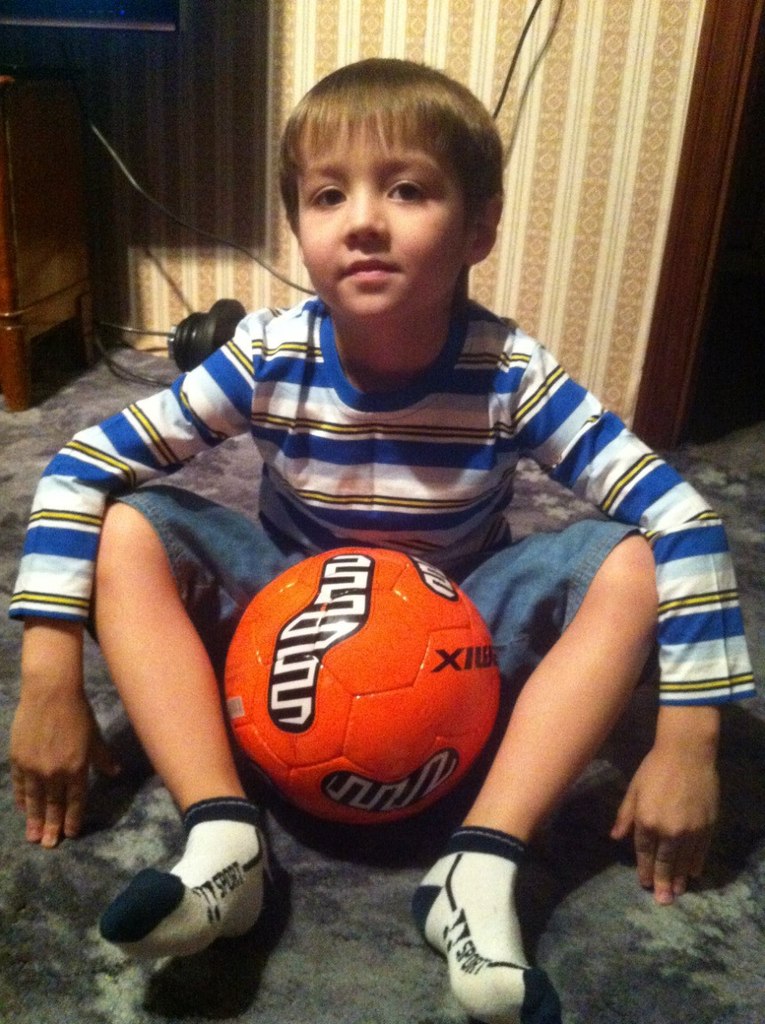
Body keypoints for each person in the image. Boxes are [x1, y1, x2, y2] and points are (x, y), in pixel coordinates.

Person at [9, 58, 754, 1024]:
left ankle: (478, 866)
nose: (362, 219)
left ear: (478, 228)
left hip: (460, 626)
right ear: (299, 228)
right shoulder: (268, 353)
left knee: (626, 560)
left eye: (406, 189)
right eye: (328, 195)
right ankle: (222, 840)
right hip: (287, 611)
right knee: (123, 530)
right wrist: (50, 677)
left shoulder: (510, 372)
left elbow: (681, 514)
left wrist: (687, 740)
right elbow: (79, 463)